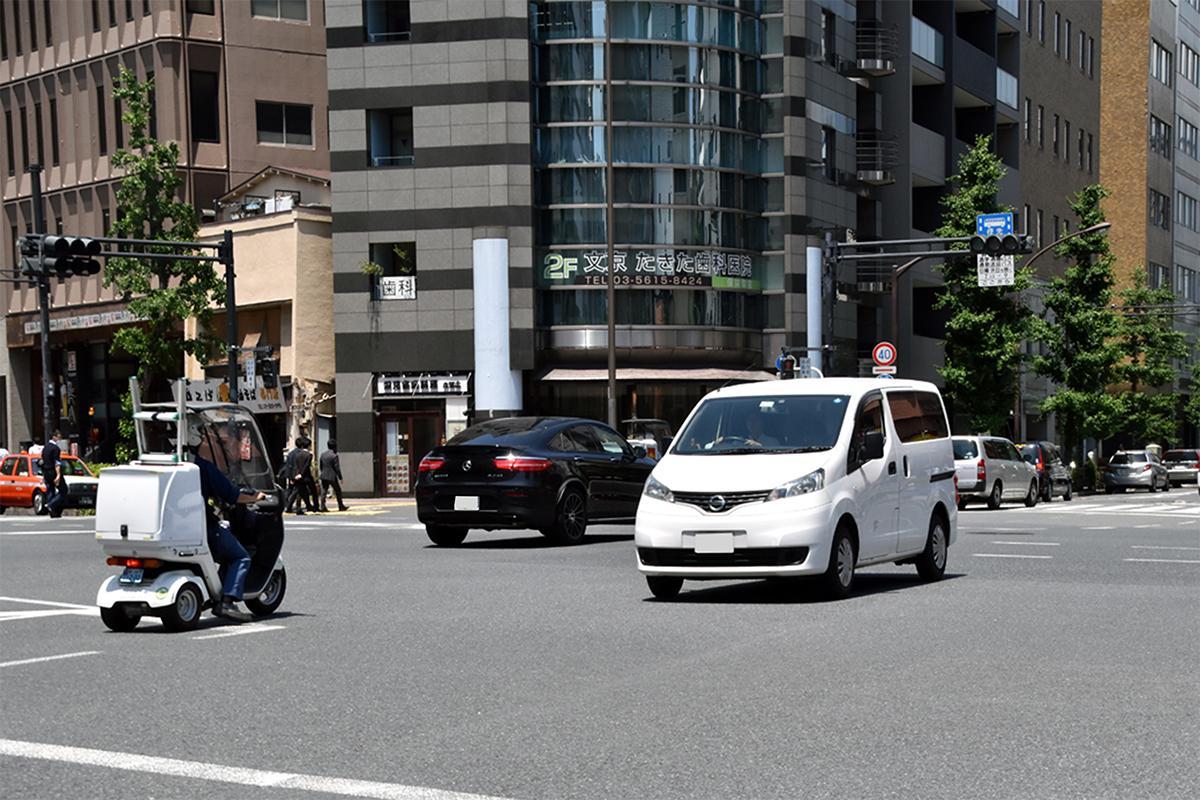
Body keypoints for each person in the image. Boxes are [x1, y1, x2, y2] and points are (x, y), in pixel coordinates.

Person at [187, 419, 265, 623]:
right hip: (201, 527)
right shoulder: (201, 467)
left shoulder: (161, 465)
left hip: (166, 532)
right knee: (240, 557)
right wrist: (256, 497)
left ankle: (215, 593)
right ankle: (227, 602)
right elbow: (233, 495)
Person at [284, 437, 316, 514]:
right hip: (299, 476)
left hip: (292, 475)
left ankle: (307, 506)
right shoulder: (300, 453)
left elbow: (288, 465)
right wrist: (298, 475)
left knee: (298, 491)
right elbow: (298, 466)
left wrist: (290, 476)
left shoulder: (291, 453)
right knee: (296, 492)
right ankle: (291, 507)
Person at [319, 439, 349, 512]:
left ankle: (322, 506)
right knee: (338, 490)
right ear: (335, 446)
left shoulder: (323, 454)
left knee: (324, 491)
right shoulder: (334, 456)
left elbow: (321, 465)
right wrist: (340, 477)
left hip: (324, 475)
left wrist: (322, 472)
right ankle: (340, 506)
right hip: (332, 476)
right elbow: (337, 468)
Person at [40, 429, 64, 517]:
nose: (60, 439)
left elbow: (42, 461)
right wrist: (58, 475)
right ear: (54, 437)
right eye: (58, 437)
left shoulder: (45, 448)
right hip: (53, 471)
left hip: (46, 471)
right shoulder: (55, 448)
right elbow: (57, 463)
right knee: (63, 490)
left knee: (50, 490)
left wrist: (43, 474)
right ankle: (51, 504)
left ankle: (52, 512)